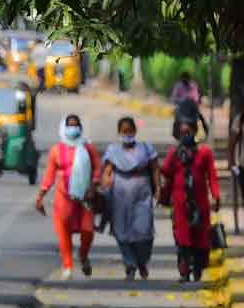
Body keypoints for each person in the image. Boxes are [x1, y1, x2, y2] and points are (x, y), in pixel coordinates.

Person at [36, 114, 100, 279]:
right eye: (70, 125)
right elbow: (49, 175)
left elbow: (97, 169)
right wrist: (41, 196)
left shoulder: (88, 148)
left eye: (76, 125)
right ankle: (67, 265)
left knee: (88, 231)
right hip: (64, 198)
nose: (73, 128)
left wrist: (93, 186)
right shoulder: (56, 150)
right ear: (64, 128)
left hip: (85, 198)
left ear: (80, 128)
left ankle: (84, 256)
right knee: (64, 232)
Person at [99, 117, 160, 280]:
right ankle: (130, 264)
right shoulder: (113, 151)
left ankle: (143, 261)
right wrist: (104, 185)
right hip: (119, 196)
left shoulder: (146, 148)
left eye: (130, 131)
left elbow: (155, 169)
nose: (127, 134)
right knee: (122, 232)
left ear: (135, 131)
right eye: (124, 131)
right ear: (119, 132)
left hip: (142, 194)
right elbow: (107, 171)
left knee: (144, 231)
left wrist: (158, 188)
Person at [161, 116, 220, 282]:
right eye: (182, 133)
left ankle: (198, 268)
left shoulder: (205, 152)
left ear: (194, 132)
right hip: (180, 203)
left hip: (200, 203)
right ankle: (185, 270)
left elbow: (212, 176)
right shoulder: (174, 153)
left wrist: (216, 196)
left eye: (188, 132)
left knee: (201, 237)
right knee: (182, 237)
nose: (185, 135)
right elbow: (166, 171)